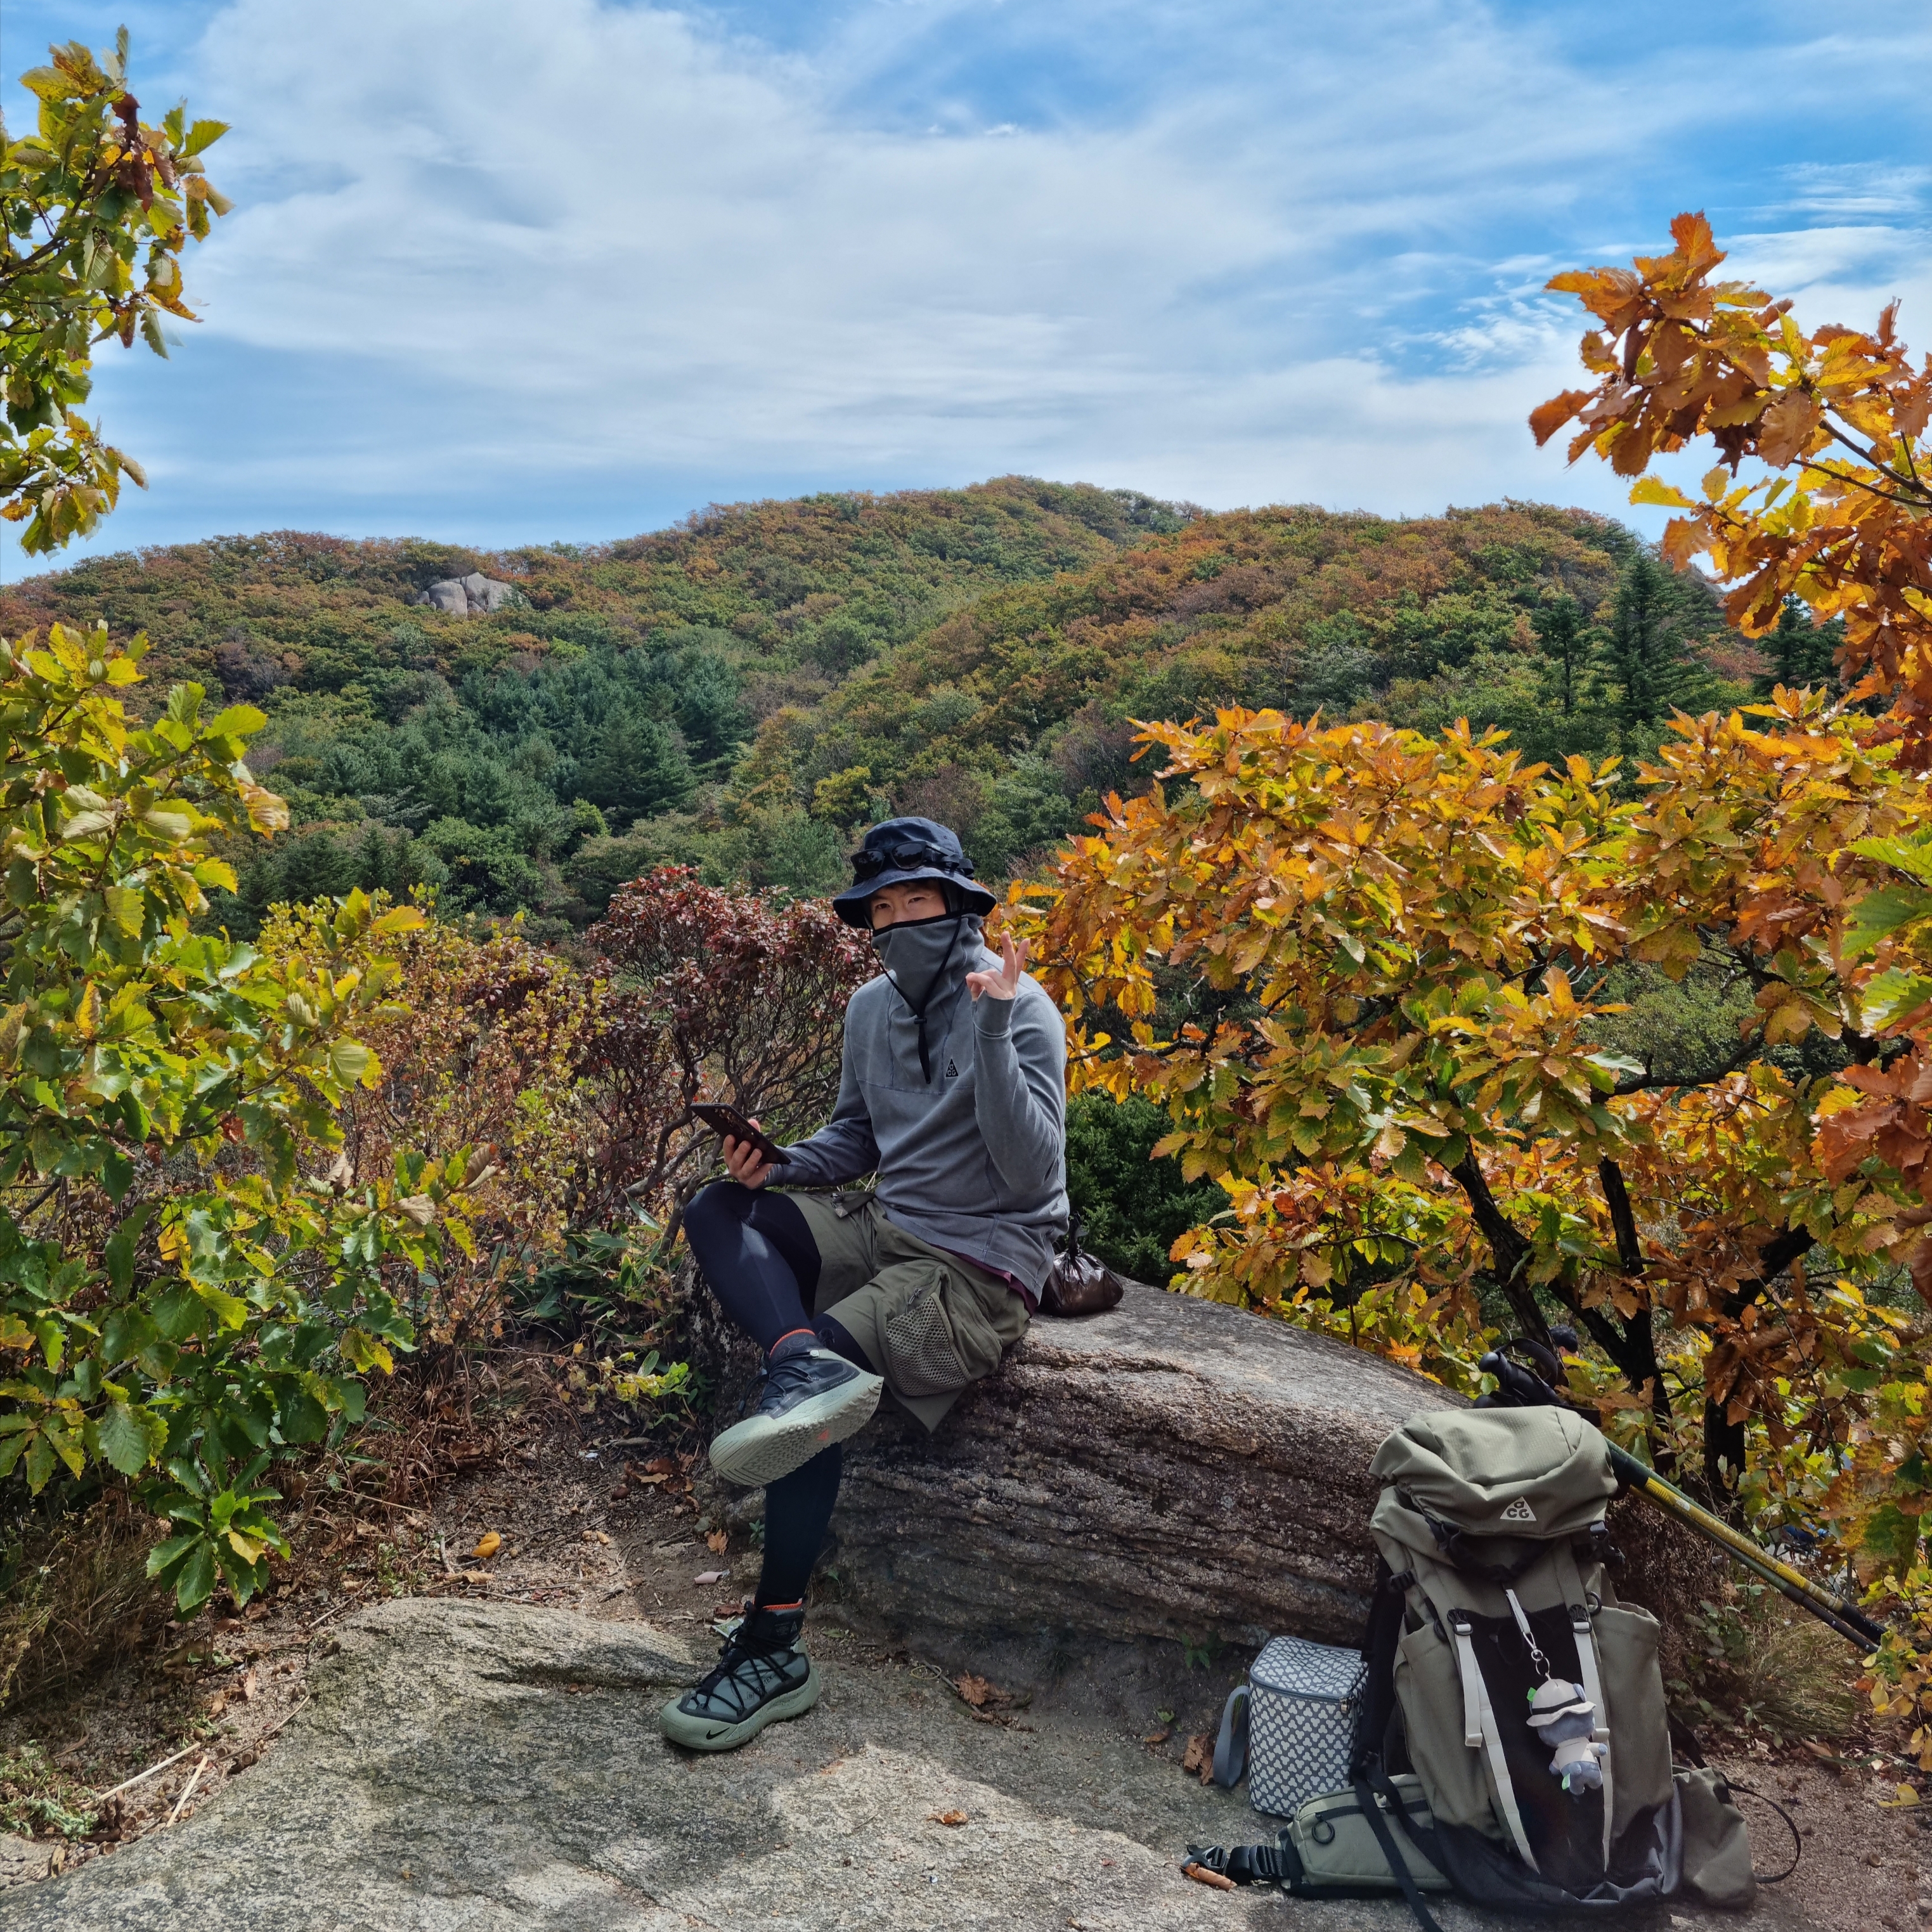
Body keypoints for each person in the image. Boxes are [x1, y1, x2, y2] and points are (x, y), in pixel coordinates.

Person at [659, 817, 1068, 1751]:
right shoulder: (871, 1010)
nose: (892, 922)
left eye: (913, 901)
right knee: (719, 1210)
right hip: (888, 1224)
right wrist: (780, 1163)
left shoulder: (1023, 1008)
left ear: (960, 905)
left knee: (816, 1403)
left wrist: (995, 1028)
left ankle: (773, 1648)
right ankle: (799, 1360)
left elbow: (1027, 1175)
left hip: (978, 1262)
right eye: (878, 908)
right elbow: (860, 1140)